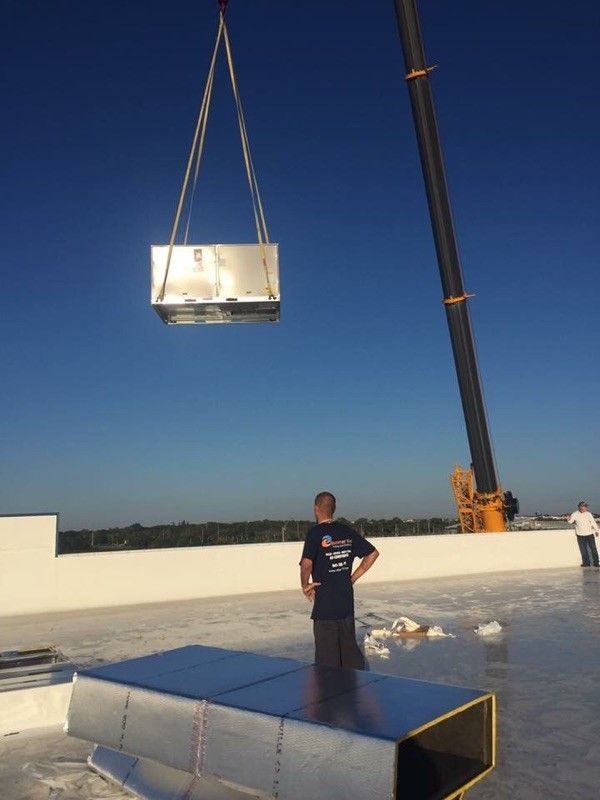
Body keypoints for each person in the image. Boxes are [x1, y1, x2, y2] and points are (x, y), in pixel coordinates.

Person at [300, 491, 379, 669]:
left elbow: (306, 565)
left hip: (325, 608)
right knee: (349, 656)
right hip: (345, 604)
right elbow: (372, 553)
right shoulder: (347, 531)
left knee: (327, 662)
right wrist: (352, 579)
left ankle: (330, 694)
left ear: (316, 509)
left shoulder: (315, 534)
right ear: (333, 509)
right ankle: (351, 692)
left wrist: (305, 585)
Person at [567, 501, 599, 568]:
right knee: (583, 550)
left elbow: (593, 522)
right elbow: (570, 521)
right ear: (579, 507)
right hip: (580, 535)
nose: (585, 508)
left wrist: (596, 531)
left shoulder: (588, 514)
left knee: (593, 549)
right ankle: (586, 563)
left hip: (590, 534)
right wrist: (568, 519)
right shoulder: (575, 514)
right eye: (583, 506)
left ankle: (596, 563)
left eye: (585, 507)